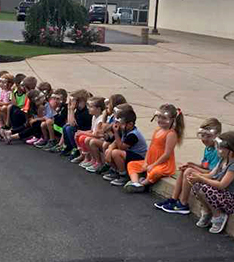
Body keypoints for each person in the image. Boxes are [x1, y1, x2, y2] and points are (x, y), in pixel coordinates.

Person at [155, 118, 222, 214]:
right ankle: (174, 199)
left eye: (208, 136)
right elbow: (204, 166)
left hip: (214, 178)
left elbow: (211, 172)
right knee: (185, 169)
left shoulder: (217, 151)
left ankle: (183, 203)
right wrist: (191, 164)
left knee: (189, 171)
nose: (204, 139)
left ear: (216, 136)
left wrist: (192, 168)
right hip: (208, 173)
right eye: (202, 136)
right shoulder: (208, 148)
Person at [124, 103, 185, 192]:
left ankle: (143, 184)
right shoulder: (157, 130)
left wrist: (153, 165)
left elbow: (167, 154)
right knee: (132, 164)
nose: (160, 120)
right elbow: (151, 147)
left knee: (156, 172)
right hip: (151, 161)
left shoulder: (171, 134)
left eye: (164, 118)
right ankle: (135, 182)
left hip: (163, 164)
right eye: (159, 117)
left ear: (172, 120)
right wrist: (145, 162)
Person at [187, 131, 234, 234]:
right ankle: (208, 212)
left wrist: (201, 179)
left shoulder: (232, 166)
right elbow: (211, 175)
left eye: (221, 148)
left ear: (231, 150)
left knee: (206, 188)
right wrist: (196, 176)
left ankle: (219, 216)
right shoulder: (222, 160)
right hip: (221, 195)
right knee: (197, 186)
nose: (218, 150)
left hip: (230, 199)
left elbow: (222, 185)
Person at [103, 108, 148, 186]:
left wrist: (116, 133)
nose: (119, 125)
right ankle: (115, 170)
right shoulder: (125, 130)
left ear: (130, 124)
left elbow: (121, 147)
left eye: (121, 123)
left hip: (139, 156)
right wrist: (109, 149)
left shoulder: (133, 135)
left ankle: (123, 175)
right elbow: (115, 142)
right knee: (109, 151)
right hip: (130, 153)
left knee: (116, 153)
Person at [86, 94, 127, 173]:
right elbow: (104, 129)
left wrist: (105, 117)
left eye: (109, 104)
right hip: (110, 139)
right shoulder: (111, 117)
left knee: (105, 145)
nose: (107, 106)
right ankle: (99, 162)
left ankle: (113, 168)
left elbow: (102, 130)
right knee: (99, 143)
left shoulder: (118, 120)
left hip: (116, 142)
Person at [60, 89, 92, 156]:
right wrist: (70, 109)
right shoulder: (79, 109)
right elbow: (69, 122)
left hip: (85, 131)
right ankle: (69, 147)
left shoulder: (86, 112)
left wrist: (71, 109)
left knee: (69, 128)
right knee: (65, 127)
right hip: (79, 129)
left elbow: (72, 124)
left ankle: (76, 148)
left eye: (74, 100)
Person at [75, 96, 105, 167]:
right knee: (77, 135)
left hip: (100, 139)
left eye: (91, 106)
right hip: (95, 136)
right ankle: (84, 156)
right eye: (88, 106)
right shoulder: (94, 116)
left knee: (86, 138)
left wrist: (82, 132)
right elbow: (92, 130)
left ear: (98, 109)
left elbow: (97, 135)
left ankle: (97, 161)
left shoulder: (100, 120)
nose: (88, 108)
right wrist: (81, 132)